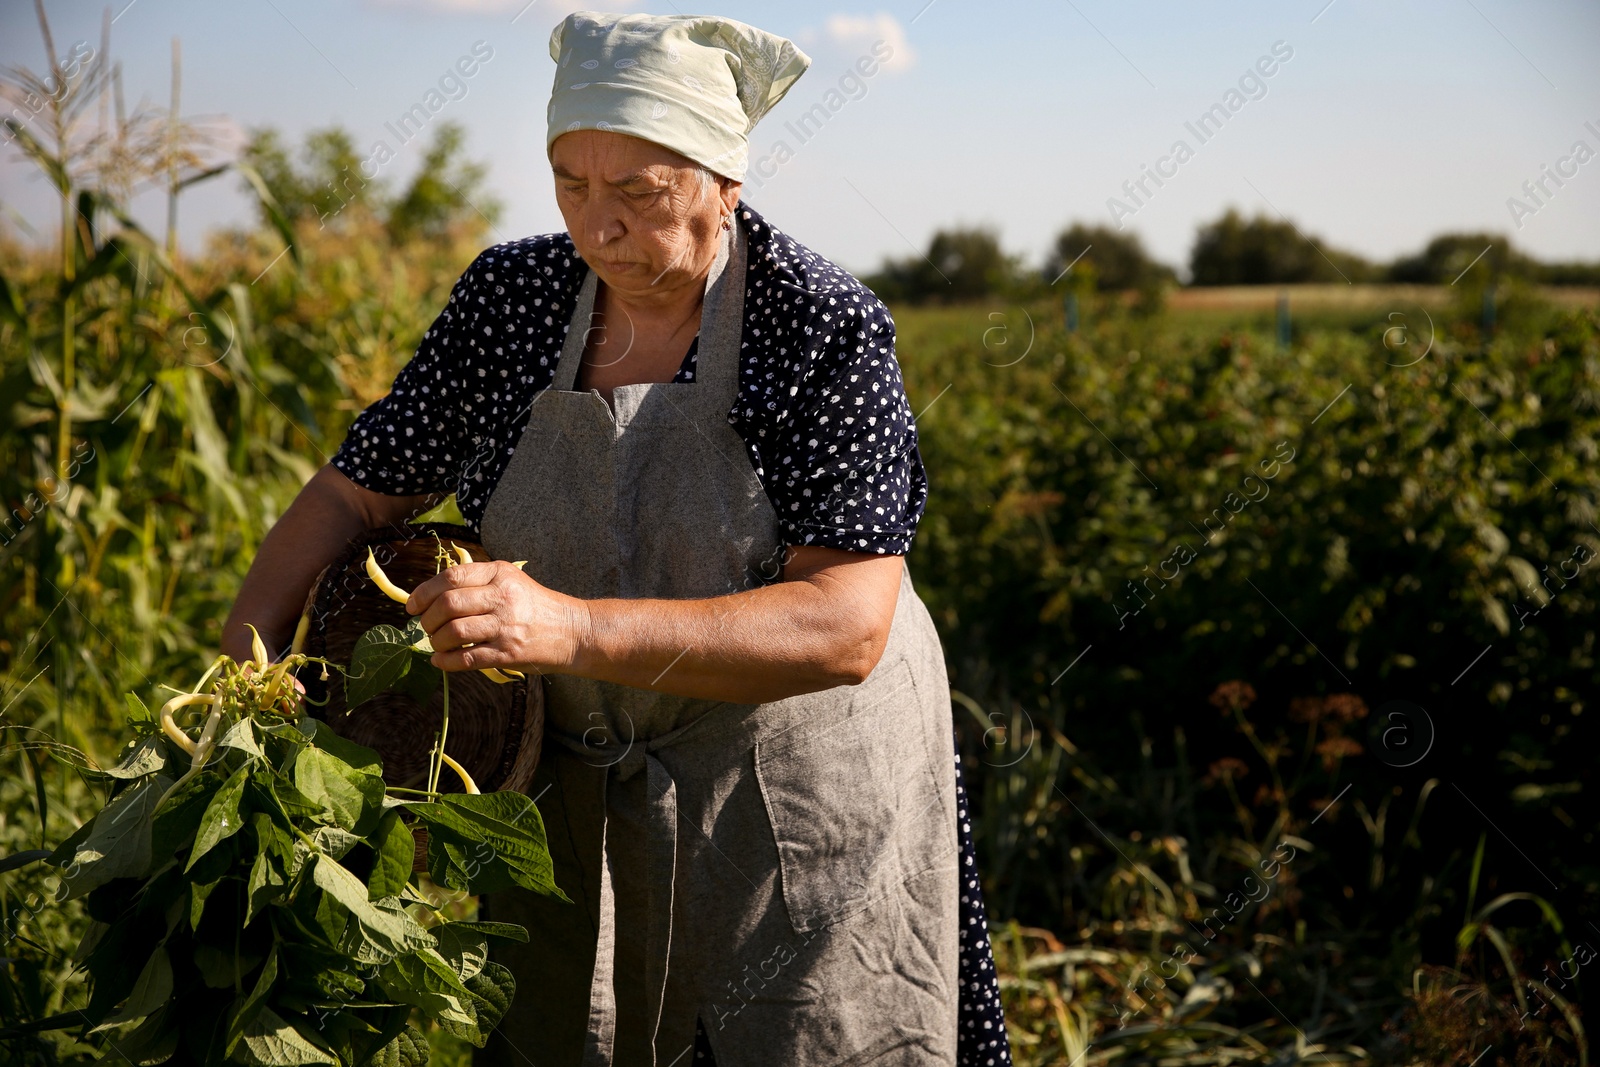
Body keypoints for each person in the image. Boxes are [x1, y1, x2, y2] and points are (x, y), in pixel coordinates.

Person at [222, 12, 1009, 1065]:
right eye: (571, 184)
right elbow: (356, 498)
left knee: (801, 1031)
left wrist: (570, 626)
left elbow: (845, 625)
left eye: (640, 194)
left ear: (724, 183)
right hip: (573, 782)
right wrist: (248, 673)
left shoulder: (817, 322)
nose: (599, 227)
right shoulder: (513, 299)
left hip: (787, 783)